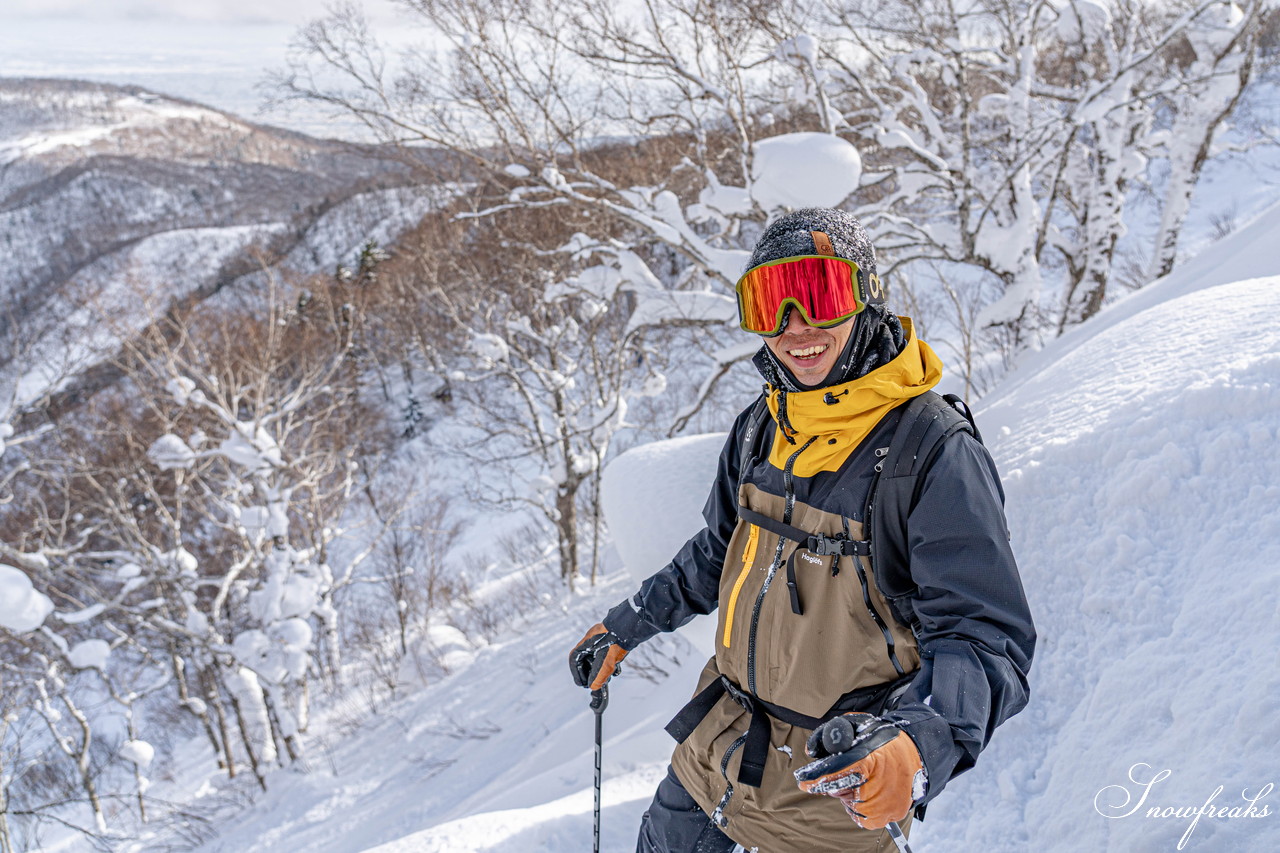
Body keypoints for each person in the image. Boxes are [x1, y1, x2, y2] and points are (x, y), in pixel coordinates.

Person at [570, 208, 1036, 852]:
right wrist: (628, 623)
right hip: (714, 759)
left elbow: (984, 638)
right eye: (770, 303)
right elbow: (717, 552)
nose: (796, 327)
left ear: (865, 296)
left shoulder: (928, 452)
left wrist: (917, 743)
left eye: (819, 294)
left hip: (834, 796)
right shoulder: (763, 426)